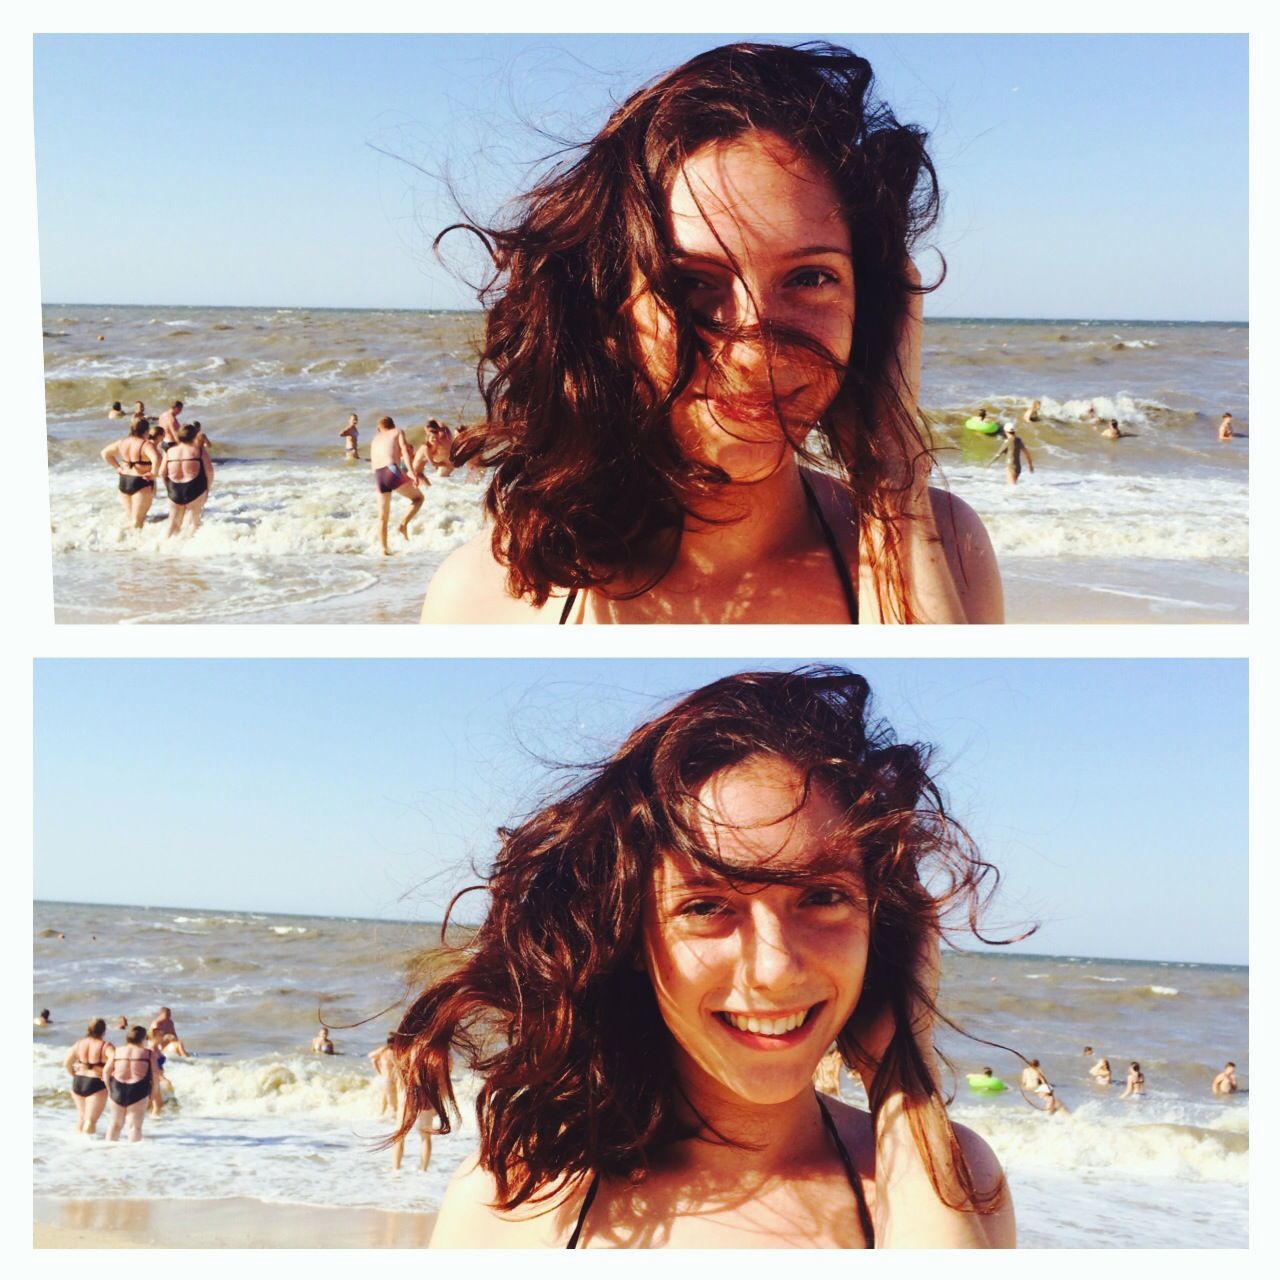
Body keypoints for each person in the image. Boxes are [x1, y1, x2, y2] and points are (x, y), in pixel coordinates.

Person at [401, 667, 1015, 1247]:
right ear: (630, 934)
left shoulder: (946, 1181)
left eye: (822, 896)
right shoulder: (519, 1201)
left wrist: (904, 1080)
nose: (776, 972)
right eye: (706, 907)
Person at [421, 43, 1003, 625]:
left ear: (870, 305)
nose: (755, 355)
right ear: (607, 311)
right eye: (691, 281)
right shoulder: (479, 600)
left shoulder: (945, 547)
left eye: (809, 277)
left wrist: (893, 477)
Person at [369, 415, 425, 555]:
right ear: (392, 426)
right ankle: (403, 524)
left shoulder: (375, 439)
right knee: (418, 498)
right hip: (391, 470)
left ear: (378, 429)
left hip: (378, 475)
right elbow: (404, 450)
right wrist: (412, 472)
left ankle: (384, 549)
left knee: (382, 517)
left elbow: (373, 463)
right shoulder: (397, 431)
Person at [101, 417, 162, 529]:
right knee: (138, 521)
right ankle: (136, 545)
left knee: (130, 518)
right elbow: (157, 458)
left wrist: (117, 467)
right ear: (146, 430)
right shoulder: (145, 444)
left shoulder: (122, 442)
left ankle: (124, 542)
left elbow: (105, 453)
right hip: (141, 481)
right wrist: (153, 473)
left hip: (124, 481)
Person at [158, 423, 214, 538]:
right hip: (195, 488)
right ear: (194, 436)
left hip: (174, 489)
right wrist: (207, 489)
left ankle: (164, 549)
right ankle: (187, 551)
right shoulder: (199, 451)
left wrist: (168, 488)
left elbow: (162, 473)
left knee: (172, 524)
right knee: (194, 522)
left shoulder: (169, 451)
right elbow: (209, 472)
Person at [104, 1025, 157, 1142]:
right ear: (144, 1038)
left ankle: (107, 1153)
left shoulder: (117, 1051)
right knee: (134, 1127)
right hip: (138, 1089)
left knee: (115, 1125)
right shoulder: (148, 1053)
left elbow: (106, 1072)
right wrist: (153, 1095)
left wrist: (109, 1090)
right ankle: (133, 1157)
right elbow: (155, 1077)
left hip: (117, 1088)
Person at [63, 1019, 112, 1135]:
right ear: (104, 1031)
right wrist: (107, 1073)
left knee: (82, 1117)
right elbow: (115, 1059)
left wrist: (74, 1074)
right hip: (96, 1082)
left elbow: (66, 1064)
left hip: (78, 1081)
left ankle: (78, 1147)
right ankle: (88, 1148)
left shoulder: (79, 1044)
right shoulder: (105, 1046)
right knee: (90, 1121)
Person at [369, 1036, 401, 1116]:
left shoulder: (383, 1051)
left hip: (383, 1079)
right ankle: (395, 1123)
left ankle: (381, 1120)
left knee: (384, 1105)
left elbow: (372, 1058)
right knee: (394, 1106)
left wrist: (379, 1071)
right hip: (390, 1081)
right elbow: (399, 1066)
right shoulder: (392, 1052)